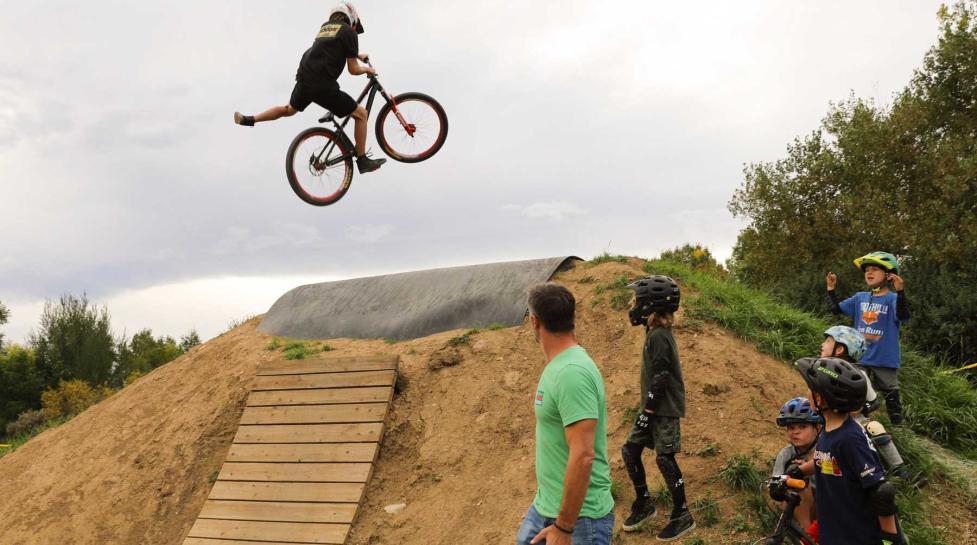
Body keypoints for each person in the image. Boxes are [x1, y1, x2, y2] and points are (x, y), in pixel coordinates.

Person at [233, 2, 386, 174]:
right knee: (361, 114)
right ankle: (363, 160)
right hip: (322, 84)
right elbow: (353, 69)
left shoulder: (326, 28)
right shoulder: (349, 32)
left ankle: (250, 119)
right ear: (351, 17)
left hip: (305, 79)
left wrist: (357, 54)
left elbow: (332, 45)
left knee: (288, 109)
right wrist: (368, 69)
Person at [515, 282, 615, 545]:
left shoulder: (571, 373)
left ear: (535, 322)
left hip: (579, 520)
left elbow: (583, 455)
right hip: (546, 507)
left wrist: (564, 527)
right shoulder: (560, 366)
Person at [790, 357, 905, 545]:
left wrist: (890, 539)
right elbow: (826, 459)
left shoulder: (850, 438)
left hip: (859, 537)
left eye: (810, 390)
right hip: (836, 530)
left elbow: (881, 492)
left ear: (819, 399)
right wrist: (798, 471)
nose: (807, 394)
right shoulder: (829, 431)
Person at [619, 275, 696, 541]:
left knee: (664, 457)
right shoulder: (654, 334)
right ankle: (644, 503)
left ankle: (682, 513)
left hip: (663, 409)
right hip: (652, 407)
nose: (633, 306)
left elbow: (662, 375)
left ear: (649, 305)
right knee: (630, 450)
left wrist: (648, 411)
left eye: (636, 301)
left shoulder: (660, 336)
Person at [821, 325, 921, 485]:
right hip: (826, 418)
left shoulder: (857, 374)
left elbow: (874, 401)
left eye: (827, 341)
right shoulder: (820, 368)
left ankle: (901, 472)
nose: (822, 344)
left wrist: (862, 408)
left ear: (839, 349)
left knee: (875, 426)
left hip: (855, 421)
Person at [826, 251, 910, 424]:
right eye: (866, 270)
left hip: (885, 357)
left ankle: (898, 429)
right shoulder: (860, 298)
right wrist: (831, 289)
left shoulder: (892, 298)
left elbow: (903, 316)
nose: (869, 273)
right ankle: (861, 422)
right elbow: (836, 309)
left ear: (889, 275)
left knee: (891, 393)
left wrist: (900, 291)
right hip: (861, 356)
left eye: (874, 269)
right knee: (856, 386)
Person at [771, 397, 821, 532]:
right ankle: (807, 536)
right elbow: (775, 487)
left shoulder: (826, 449)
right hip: (802, 510)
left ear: (817, 427)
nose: (795, 432)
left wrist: (809, 468)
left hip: (829, 506)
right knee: (795, 479)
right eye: (791, 427)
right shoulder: (786, 454)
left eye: (802, 427)